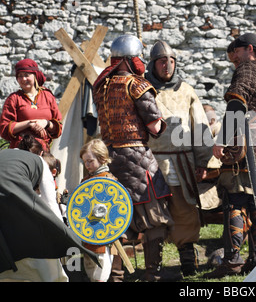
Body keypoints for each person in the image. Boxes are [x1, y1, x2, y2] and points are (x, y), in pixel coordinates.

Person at [92, 34, 175, 282]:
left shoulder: (102, 86)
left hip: (110, 158)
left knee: (116, 219)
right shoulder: (137, 85)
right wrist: (164, 125)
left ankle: (117, 275)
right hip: (138, 158)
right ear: (129, 60)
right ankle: (152, 274)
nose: (140, 61)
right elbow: (154, 126)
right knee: (154, 218)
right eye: (137, 57)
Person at [204, 33, 256, 278]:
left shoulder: (250, 67)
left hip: (244, 144)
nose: (235, 64)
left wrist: (222, 139)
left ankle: (232, 261)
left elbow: (237, 105)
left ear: (249, 49)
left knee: (235, 201)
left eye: (236, 57)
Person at [144, 40, 213, 277]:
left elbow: (200, 127)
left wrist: (203, 162)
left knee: (184, 208)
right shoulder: (143, 90)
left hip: (182, 161)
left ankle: (187, 259)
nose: (167, 66)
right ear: (153, 64)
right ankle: (154, 264)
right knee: (154, 212)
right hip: (152, 162)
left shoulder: (186, 90)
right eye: (162, 61)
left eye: (171, 61)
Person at [0, 149, 98, 282]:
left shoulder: (9, 156)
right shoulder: (41, 164)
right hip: (19, 213)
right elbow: (52, 208)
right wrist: (63, 239)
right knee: (51, 273)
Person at [78, 138, 123, 282]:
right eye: (85, 161)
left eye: (90, 161)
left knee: (101, 269)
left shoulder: (109, 180)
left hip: (104, 233)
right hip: (88, 232)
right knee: (90, 265)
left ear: (102, 159)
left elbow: (112, 207)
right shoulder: (86, 181)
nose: (87, 165)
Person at [0, 58, 62, 151]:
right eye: (20, 76)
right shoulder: (14, 98)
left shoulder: (47, 96)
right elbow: (4, 128)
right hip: (20, 150)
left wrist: (46, 123)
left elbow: (58, 127)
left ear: (35, 75)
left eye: (26, 75)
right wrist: (29, 124)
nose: (23, 79)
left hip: (43, 150)